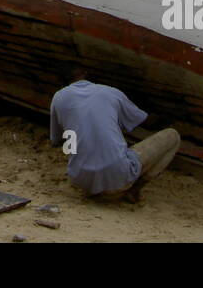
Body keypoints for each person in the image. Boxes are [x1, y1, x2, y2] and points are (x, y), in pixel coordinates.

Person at [48, 67, 180, 201]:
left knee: (77, 143)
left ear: (62, 83)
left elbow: (56, 140)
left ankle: (93, 182)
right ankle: (134, 190)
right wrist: (169, 117)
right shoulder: (110, 92)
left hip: (81, 181)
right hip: (119, 179)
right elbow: (146, 122)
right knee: (173, 135)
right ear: (85, 74)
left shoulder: (58, 98)